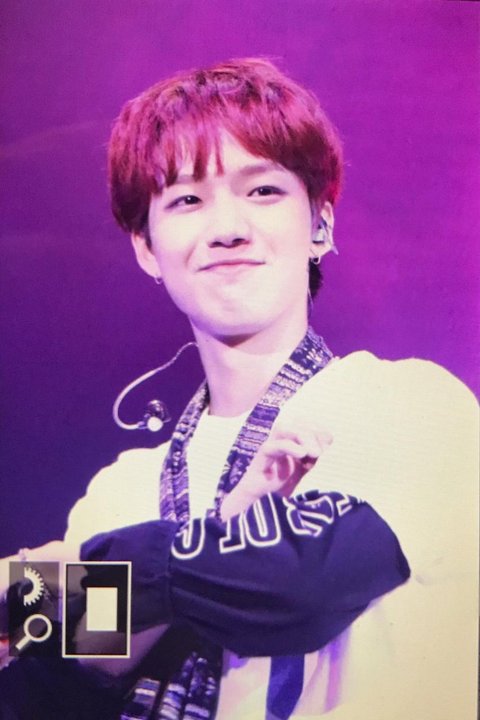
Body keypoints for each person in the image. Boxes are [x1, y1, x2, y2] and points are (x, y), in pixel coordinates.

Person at [0, 58, 477, 720]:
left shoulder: (409, 405)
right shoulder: (121, 489)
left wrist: (87, 570)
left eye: (263, 191)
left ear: (321, 225)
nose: (227, 228)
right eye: (186, 200)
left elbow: (299, 587)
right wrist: (222, 529)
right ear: (146, 248)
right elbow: (66, 673)